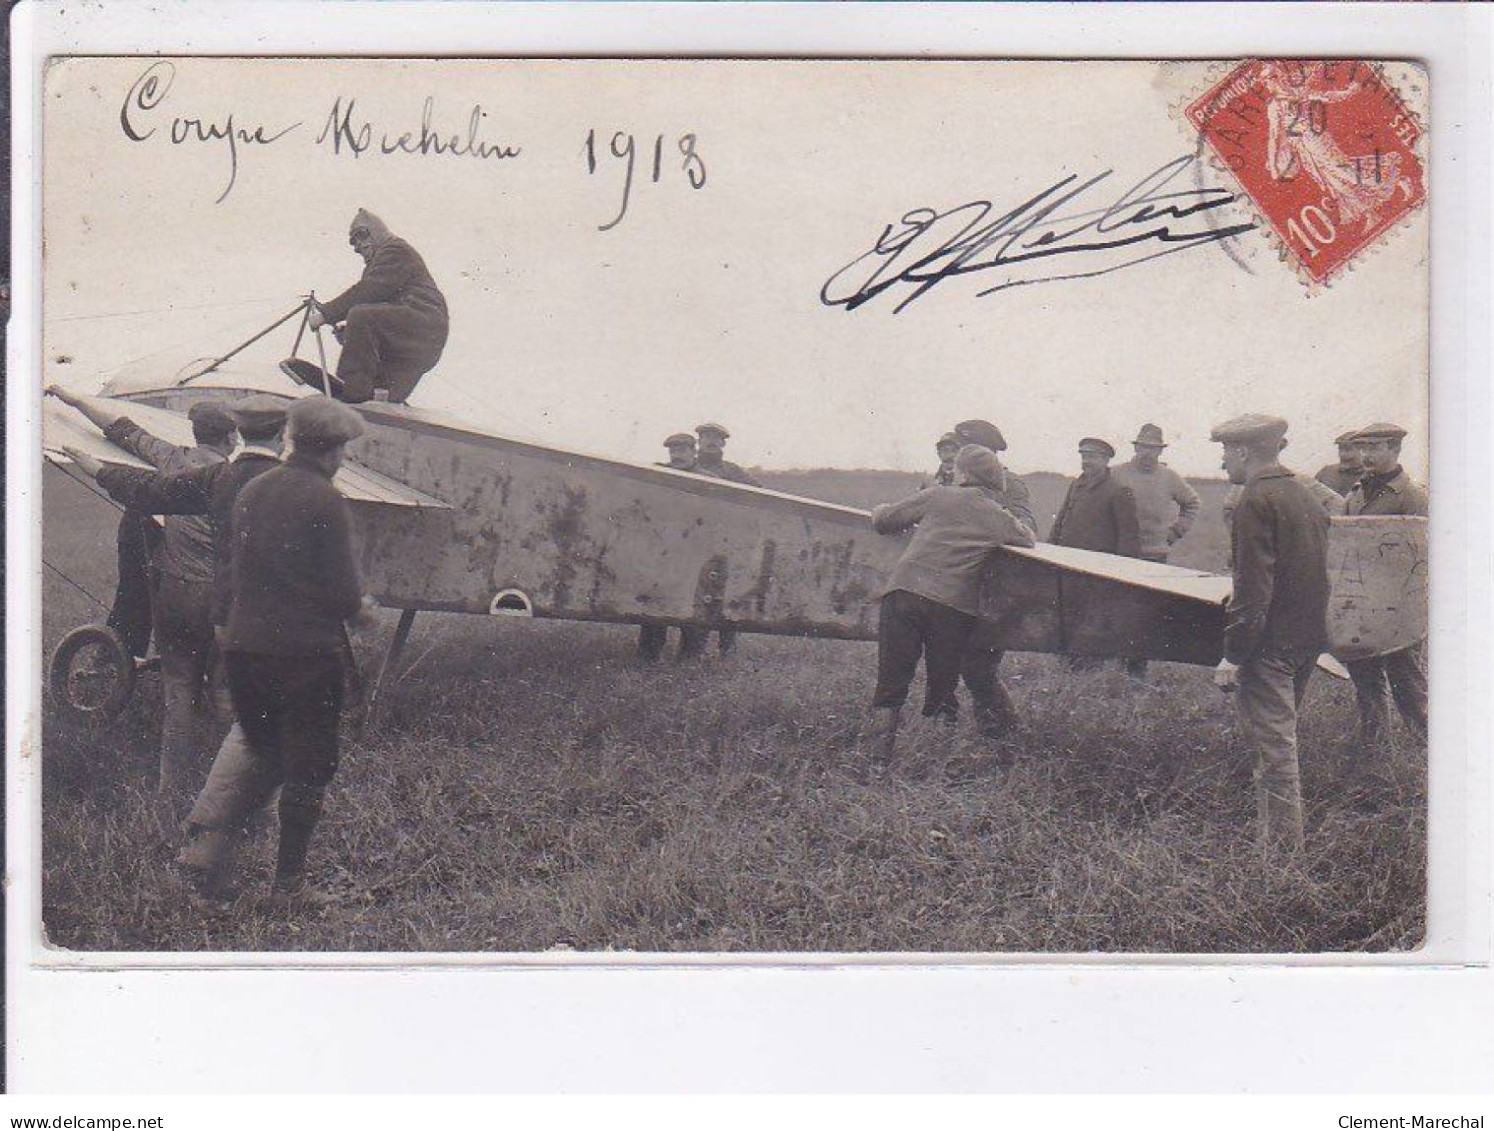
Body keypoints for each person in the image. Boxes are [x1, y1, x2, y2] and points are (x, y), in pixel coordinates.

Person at [219, 397, 371, 906]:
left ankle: (210, 866)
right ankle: (288, 886)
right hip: (303, 655)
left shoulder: (253, 490)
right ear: (331, 450)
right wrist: (364, 610)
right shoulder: (325, 499)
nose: (344, 458)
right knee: (308, 767)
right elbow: (345, 596)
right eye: (344, 448)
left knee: (263, 759)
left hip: (243, 650)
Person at [47, 387, 237, 792]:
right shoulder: (240, 480)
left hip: (178, 594)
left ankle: (171, 786)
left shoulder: (174, 459)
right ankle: (232, 782)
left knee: (180, 688)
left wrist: (71, 397)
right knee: (222, 689)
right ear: (232, 438)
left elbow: (120, 428)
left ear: (195, 432)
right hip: (223, 600)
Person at [867, 444, 1036, 762]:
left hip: (903, 594)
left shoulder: (937, 494)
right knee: (943, 687)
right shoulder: (995, 516)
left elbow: (884, 520)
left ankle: (877, 765)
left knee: (891, 683)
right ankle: (939, 763)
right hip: (951, 608)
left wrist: (879, 509)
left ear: (963, 474)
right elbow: (1027, 538)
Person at [1210, 414, 1330, 857]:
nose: (1223, 464)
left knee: (1275, 756)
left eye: (1224, 453)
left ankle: (1281, 862)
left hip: (1270, 646)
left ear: (1242, 451)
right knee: (1280, 744)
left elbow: (1254, 589)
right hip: (1308, 639)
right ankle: (1283, 850)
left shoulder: (1254, 500)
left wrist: (1234, 655)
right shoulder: (1304, 494)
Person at [298, 209, 449, 405]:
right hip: (418, 343)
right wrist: (352, 332)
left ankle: (353, 388)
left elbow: (369, 290)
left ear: (377, 231)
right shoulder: (381, 262)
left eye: (361, 235)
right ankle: (379, 396)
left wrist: (327, 313)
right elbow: (378, 303)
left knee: (362, 316)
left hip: (422, 322)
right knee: (380, 397)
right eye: (353, 242)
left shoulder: (394, 250)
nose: (358, 246)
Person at [1342, 423, 1429, 745]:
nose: (1365, 455)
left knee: (1406, 682)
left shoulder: (1412, 496)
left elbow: (1422, 555)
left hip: (1400, 607)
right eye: (1362, 447)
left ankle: (1428, 751)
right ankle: (1376, 748)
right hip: (1361, 604)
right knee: (1365, 679)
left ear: (1394, 449)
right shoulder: (1356, 493)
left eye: (1374, 447)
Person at [950, 419, 1035, 740]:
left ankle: (1005, 734)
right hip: (961, 584)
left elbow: (1027, 529)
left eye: (965, 447)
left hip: (994, 587)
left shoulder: (1010, 484)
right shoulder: (951, 482)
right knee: (969, 666)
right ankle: (995, 731)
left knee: (977, 668)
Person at [1111, 424, 1201, 677]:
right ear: (1135, 448)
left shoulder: (1169, 477)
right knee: (1119, 609)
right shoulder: (1116, 474)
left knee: (1146, 612)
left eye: (1153, 449)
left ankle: (1137, 670)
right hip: (1120, 554)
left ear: (1160, 451)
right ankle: (1117, 662)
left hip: (1155, 556)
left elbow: (1192, 503)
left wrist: (1176, 531)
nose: (1148, 453)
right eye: (1143, 447)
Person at [681, 422, 759, 657]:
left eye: (716, 437)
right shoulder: (688, 467)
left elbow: (759, 496)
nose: (711, 441)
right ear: (699, 441)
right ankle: (693, 650)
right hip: (694, 542)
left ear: (724, 442)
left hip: (726, 542)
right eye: (706, 437)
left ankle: (728, 649)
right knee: (693, 594)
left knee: (729, 593)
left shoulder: (733, 472)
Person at [639, 433, 701, 661]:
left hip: (693, 552)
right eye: (673, 451)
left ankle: (690, 658)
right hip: (663, 550)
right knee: (656, 601)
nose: (677, 456)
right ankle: (649, 655)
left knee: (692, 604)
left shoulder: (707, 479)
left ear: (693, 452)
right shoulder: (660, 473)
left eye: (682, 450)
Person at [1315, 430, 1364, 497]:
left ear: (1363, 451)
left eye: (1348, 449)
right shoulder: (1326, 474)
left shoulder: (1372, 477)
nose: (1342, 455)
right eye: (1340, 449)